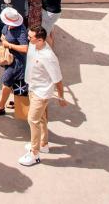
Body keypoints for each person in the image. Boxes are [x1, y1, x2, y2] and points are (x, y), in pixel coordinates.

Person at [18, 26, 68, 166]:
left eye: (30, 37)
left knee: (32, 120)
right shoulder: (33, 45)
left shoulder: (49, 57)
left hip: (42, 93)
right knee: (41, 118)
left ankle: (34, 154)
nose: (28, 39)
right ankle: (43, 144)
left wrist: (61, 97)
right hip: (32, 87)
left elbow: (58, 80)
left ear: (40, 40)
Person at [0, 7, 29, 115]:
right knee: (16, 83)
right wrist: (3, 40)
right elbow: (3, 35)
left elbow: (25, 48)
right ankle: (18, 103)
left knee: (6, 82)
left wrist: (9, 45)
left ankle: (1, 106)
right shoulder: (8, 26)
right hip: (10, 60)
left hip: (17, 62)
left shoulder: (21, 31)